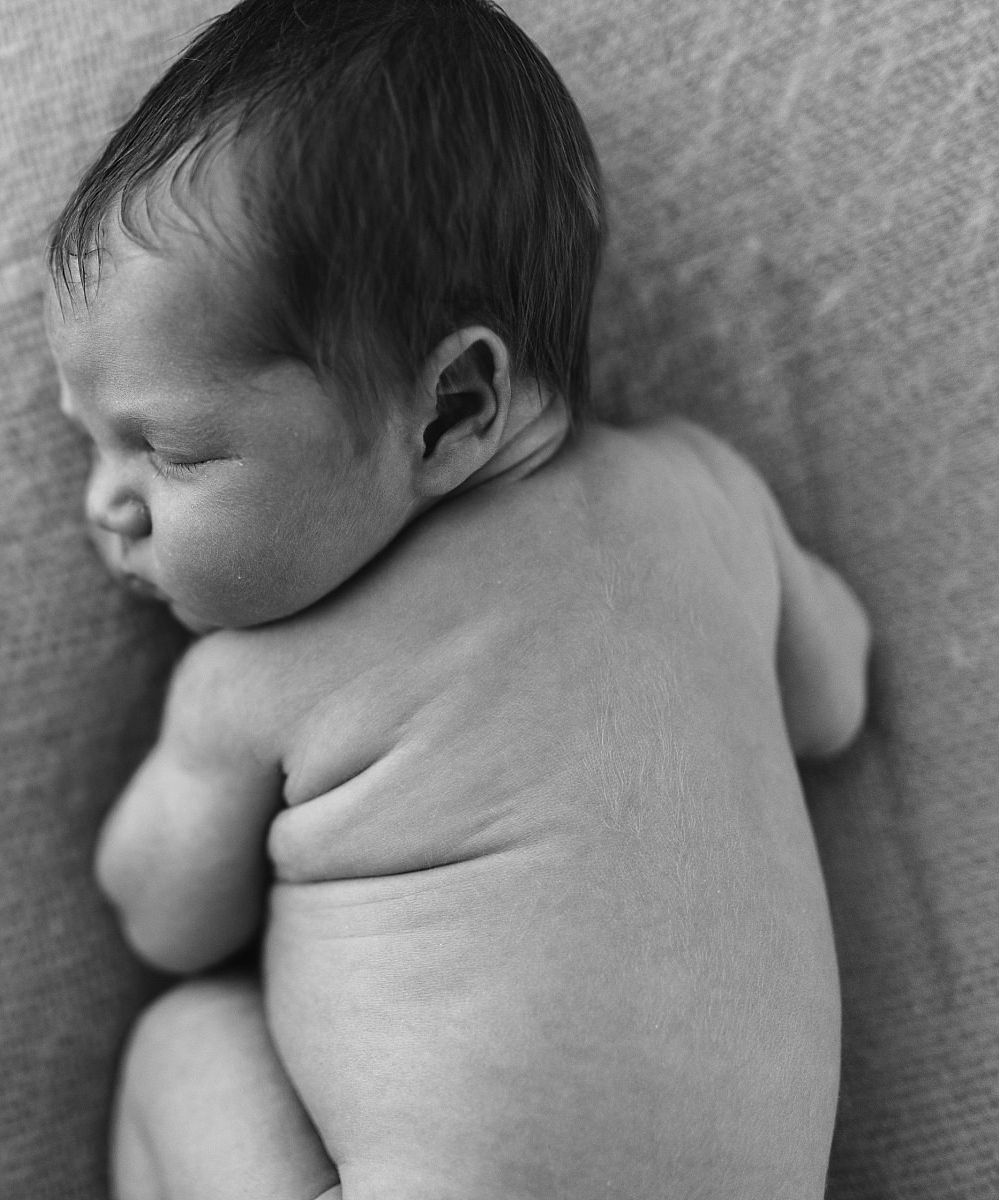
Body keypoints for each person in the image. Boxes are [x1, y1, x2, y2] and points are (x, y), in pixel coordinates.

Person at [43, 0, 872, 1196]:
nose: (104, 506)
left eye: (165, 451)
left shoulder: (268, 675)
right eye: (90, 446)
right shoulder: (711, 496)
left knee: (184, 1042)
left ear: (453, 410)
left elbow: (161, 915)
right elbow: (834, 697)